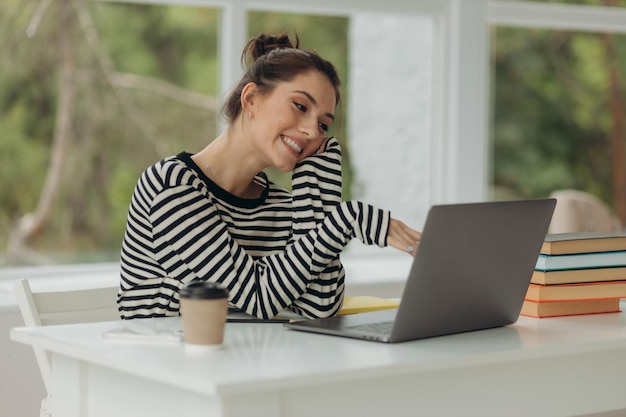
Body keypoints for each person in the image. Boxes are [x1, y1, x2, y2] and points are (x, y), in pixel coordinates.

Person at [118, 31, 421, 320]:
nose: (312, 131)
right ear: (251, 99)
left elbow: (318, 306)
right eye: (300, 106)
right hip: (165, 367)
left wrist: (315, 185)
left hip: (248, 363)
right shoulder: (172, 186)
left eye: (324, 125)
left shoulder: (280, 205)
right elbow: (258, 297)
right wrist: (347, 220)